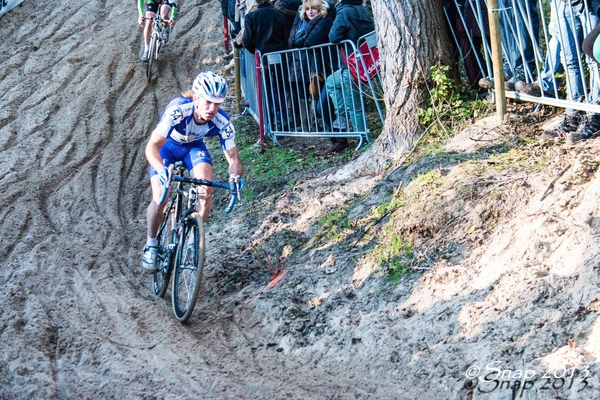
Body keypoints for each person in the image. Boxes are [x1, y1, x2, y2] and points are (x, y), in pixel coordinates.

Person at [142, 72, 244, 274]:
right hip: (166, 148)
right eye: (208, 102)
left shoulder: (223, 121)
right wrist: (162, 169)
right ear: (196, 98)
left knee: (205, 190)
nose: (212, 109)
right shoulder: (178, 110)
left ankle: (191, 240)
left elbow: (233, 157)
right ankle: (151, 243)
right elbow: (151, 147)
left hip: (193, 148)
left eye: (218, 104)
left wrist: (235, 177)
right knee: (160, 197)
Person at [324, 0, 375, 153]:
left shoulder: (344, 12)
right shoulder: (361, 9)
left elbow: (333, 36)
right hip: (364, 61)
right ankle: (342, 118)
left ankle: (362, 139)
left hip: (352, 64)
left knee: (354, 105)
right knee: (331, 82)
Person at [242, 0, 288, 129]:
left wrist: (255, 51)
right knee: (280, 86)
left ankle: (270, 117)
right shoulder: (279, 15)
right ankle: (283, 117)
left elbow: (247, 40)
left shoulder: (251, 16)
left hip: (263, 56)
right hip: (279, 54)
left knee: (266, 87)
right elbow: (285, 37)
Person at [288, 0, 333, 126]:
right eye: (307, 9)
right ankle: (312, 124)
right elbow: (296, 41)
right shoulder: (306, 23)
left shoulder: (324, 21)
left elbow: (309, 41)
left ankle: (331, 128)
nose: (310, 12)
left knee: (321, 100)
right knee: (310, 94)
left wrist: (303, 39)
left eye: (313, 8)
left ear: (320, 9)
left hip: (324, 65)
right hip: (311, 64)